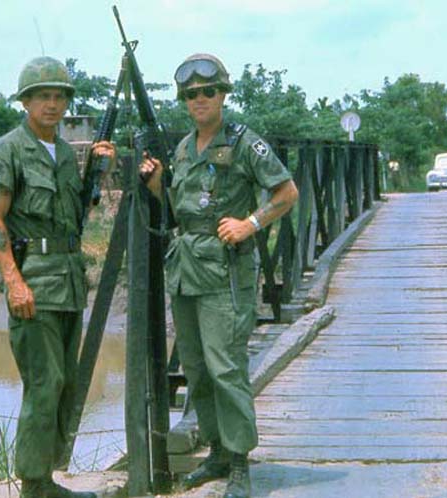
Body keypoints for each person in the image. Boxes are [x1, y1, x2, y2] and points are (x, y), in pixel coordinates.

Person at [139, 53, 299, 498]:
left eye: (208, 92)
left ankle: (240, 460)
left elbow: (287, 192)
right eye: (191, 95)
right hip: (187, 269)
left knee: (226, 365)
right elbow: (179, 211)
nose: (200, 100)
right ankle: (216, 451)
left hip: (225, 271)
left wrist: (251, 223)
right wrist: (156, 187)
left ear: (223, 94)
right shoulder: (185, 148)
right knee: (195, 367)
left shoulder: (246, 142)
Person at [0, 56, 115, 498]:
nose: (53, 104)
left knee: (67, 384)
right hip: (34, 284)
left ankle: (48, 476)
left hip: (69, 281)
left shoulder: (63, 154)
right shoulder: (9, 149)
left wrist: (99, 171)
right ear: (25, 102)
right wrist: (13, 281)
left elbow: (72, 217)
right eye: (43, 96)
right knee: (44, 383)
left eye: (59, 96)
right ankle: (34, 485)